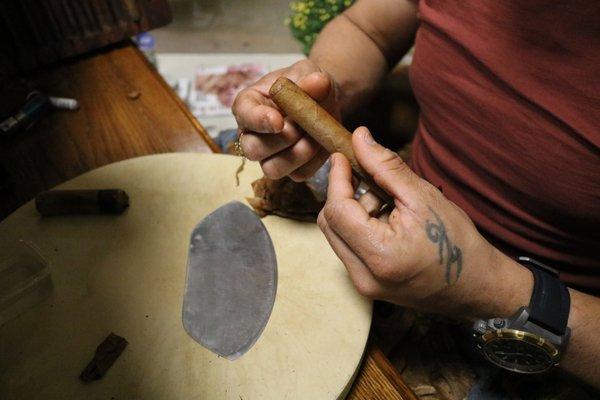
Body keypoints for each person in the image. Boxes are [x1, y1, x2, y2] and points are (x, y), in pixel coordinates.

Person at [232, 0, 599, 387]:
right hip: (391, 216)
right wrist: (326, 86)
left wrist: (494, 288)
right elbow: (368, 29)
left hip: (550, 330)